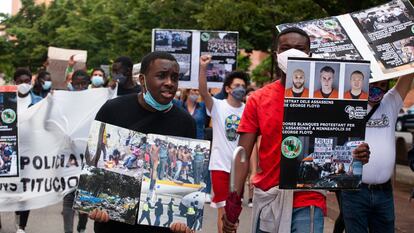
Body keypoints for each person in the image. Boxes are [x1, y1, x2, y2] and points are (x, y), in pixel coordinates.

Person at [222, 27, 370, 233]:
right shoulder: (258, 99)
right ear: (276, 54)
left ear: (309, 55)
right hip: (269, 196)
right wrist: (233, 203)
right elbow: (242, 155)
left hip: (308, 197)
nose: (292, 52)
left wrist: (356, 154)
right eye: (285, 48)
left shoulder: (327, 99)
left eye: (299, 48)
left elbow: (341, 142)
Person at [90, 51, 196, 233]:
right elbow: (95, 159)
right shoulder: (113, 110)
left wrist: (185, 218)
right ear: (142, 79)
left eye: (174, 77)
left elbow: (188, 177)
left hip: (160, 223)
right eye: (161, 76)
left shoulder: (185, 123)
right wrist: (95, 201)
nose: (170, 83)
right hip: (114, 223)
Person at [341, 76, 413, 233]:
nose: (377, 89)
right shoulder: (348, 104)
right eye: (373, 84)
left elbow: (408, 75)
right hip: (355, 192)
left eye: (382, 85)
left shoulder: (391, 102)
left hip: (384, 193)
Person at [198, 55, 249, 233]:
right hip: (220, 166)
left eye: (243, 86)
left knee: (234, 211)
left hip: (239, 169)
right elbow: (203, 92)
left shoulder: (248, 110)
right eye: (236, 86)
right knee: (223, 210)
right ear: (227, 88)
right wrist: (203, 68)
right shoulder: (218, 106)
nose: (240, 89)